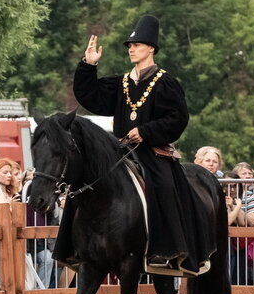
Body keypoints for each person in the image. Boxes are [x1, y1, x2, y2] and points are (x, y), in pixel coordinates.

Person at [65, 16, 216, 274]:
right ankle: (73, 247)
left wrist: (146, 131)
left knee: (165, 185)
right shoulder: (121, 82)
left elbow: (178, 118)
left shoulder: (166, 82)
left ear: (151, 48)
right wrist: (88, 66)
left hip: (152, 150)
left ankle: (167, 251)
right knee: (83, 183)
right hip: (120, 150)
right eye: (129, 45)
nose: (131, 49)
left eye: (137, 44)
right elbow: (91, 97)